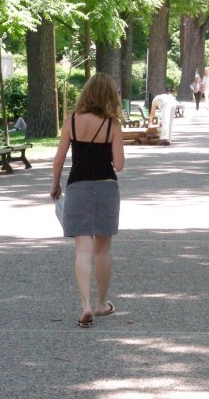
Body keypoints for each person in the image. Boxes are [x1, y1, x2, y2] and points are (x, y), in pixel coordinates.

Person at [50, 73, 125, 328]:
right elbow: (120, 165)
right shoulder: (112, 125)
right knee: (102, 250)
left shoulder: (71, 120)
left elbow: (59, 158)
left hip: (77, 187)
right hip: (106, 187)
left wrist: (55, 185)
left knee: (82, 250)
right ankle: (102, 303)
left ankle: (85, 305)